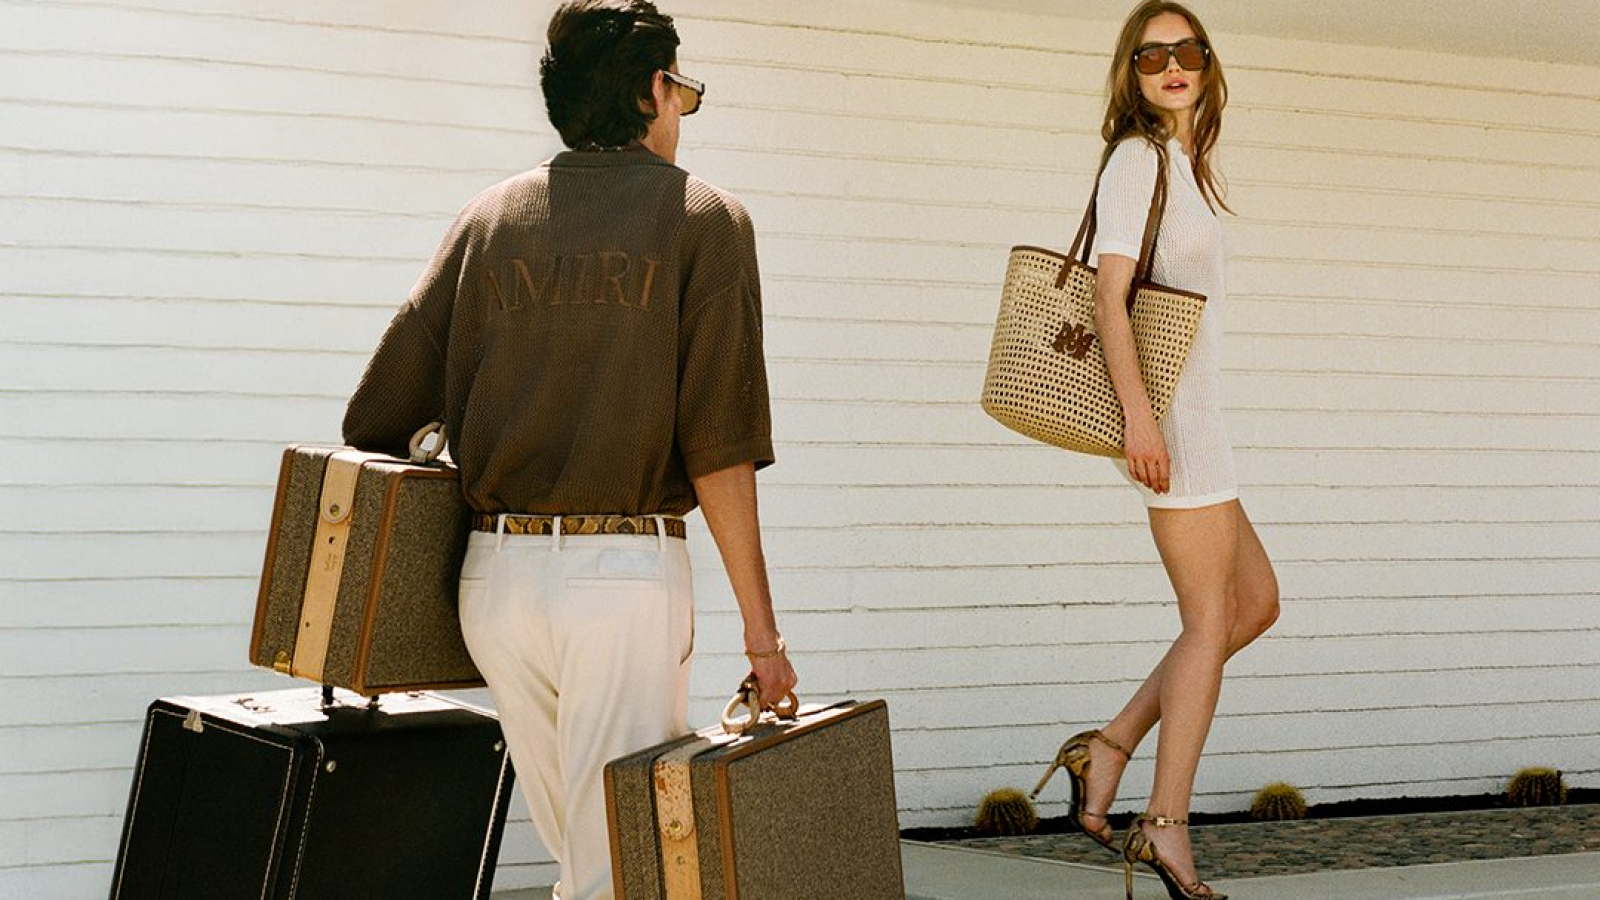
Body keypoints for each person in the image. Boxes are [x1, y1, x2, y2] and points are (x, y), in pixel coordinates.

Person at [341, 3, 798, 898]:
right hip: (621, 584)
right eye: (683, 90)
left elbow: (377, 414)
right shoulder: (703, 218)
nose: (682, 110)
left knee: (587, 864)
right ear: (652, 90)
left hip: (495, 588)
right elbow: (720, 451)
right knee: (625, 869)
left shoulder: (489, 219)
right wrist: (763, 634)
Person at [1029, 3, 1279, 899]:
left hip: (1198, 417)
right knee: (1210, 620)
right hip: (1170, 422)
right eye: (1150, 55)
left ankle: (1110, 744)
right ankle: (1165, 825)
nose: (1171, 65)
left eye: (1187, 50)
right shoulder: (1137, 159)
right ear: (1129, 73)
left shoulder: (1183, 162)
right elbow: (1110, 297)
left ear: (1207, 64)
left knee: (1256, 603)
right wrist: (1139, 419)